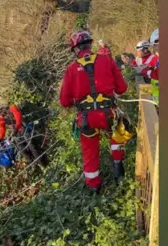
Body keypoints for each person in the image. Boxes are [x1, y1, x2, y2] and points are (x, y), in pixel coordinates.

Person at [60, 30, 131, 193]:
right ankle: (119, 170)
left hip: (87, 119)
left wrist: (79, 100)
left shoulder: (71, 69)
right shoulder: (106, 60)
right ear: (90, 44)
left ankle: (94, 188)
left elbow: (64, 101)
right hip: (109, 113)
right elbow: (122, 88)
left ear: (76, 49)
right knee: (117, 136)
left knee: (90, 152)